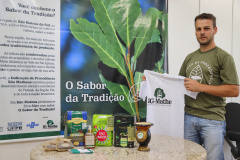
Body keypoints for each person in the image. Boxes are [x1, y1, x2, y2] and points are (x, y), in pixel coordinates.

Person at [179, 13, 239, 160]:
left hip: (212, 120)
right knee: (189, 158)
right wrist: (153, 79)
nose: (202, 32)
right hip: (189, 117)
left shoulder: (223, 57)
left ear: (215, 30)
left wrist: (200, 87)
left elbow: (234, 90)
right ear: (195, 31)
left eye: (206, 28)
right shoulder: (190, 57)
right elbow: (179, 83)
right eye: (198, 29)